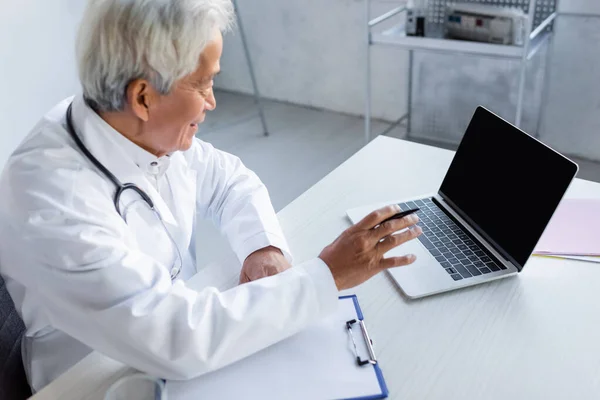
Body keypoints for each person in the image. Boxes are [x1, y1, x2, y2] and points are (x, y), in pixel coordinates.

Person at [0, 0, 422, 393]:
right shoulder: (55, 200)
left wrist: (264, 246)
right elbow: (176, 336)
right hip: (90, 380)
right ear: (143, 97)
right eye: (203, 84)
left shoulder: (131, 130)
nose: (212, 102)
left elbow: (228, 180)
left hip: (171, 355)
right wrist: (326, 276)